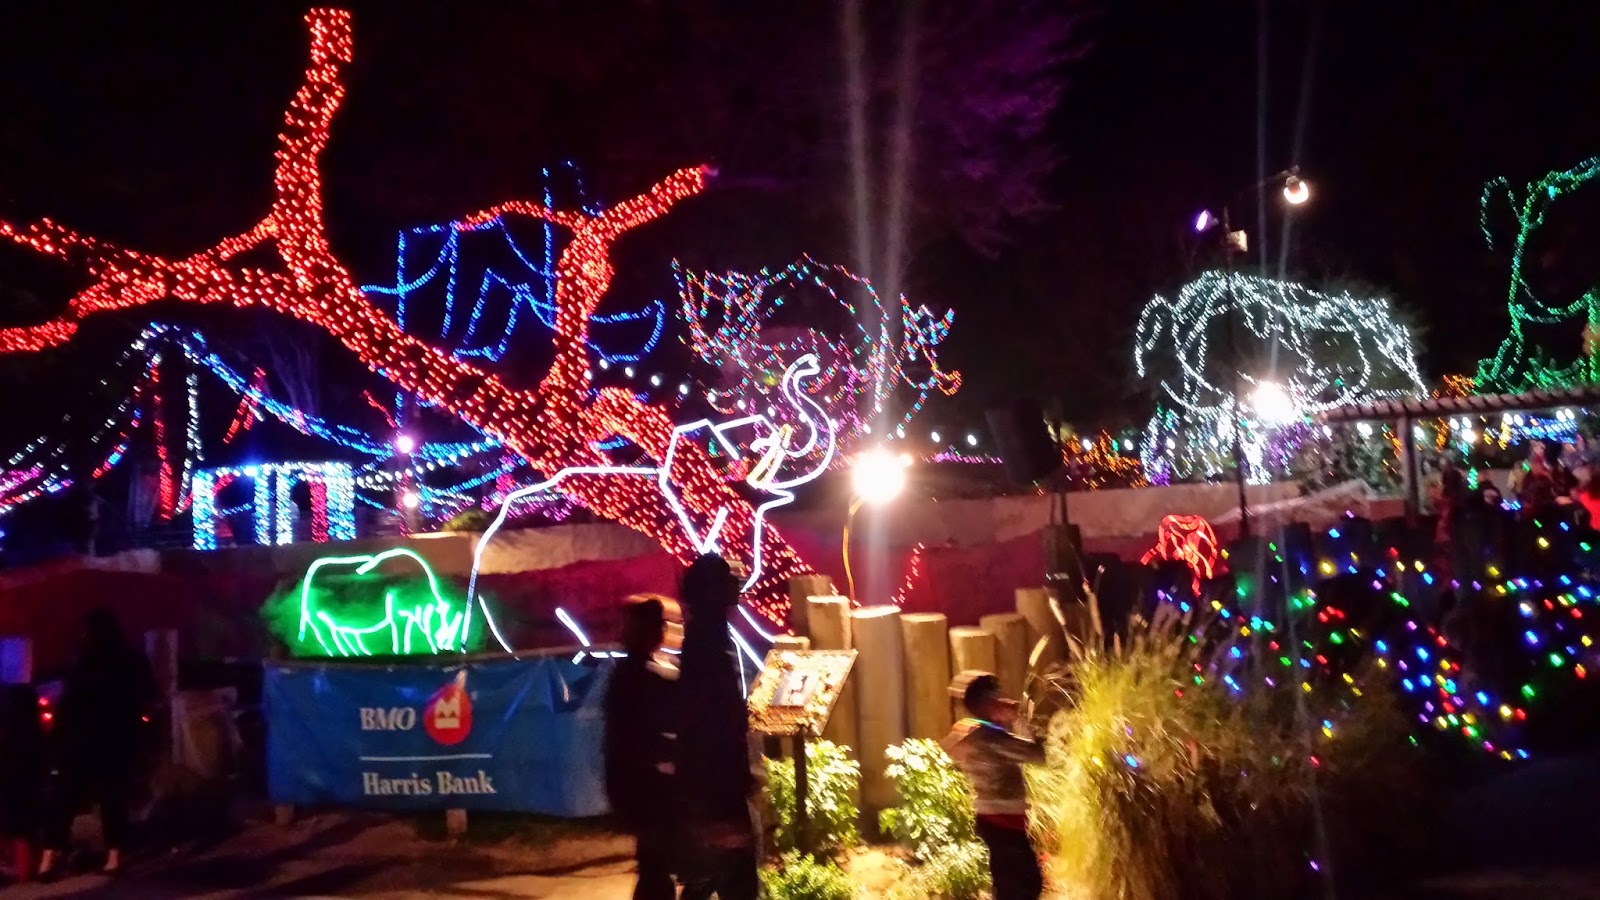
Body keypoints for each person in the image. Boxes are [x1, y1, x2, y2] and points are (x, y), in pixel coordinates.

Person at [37, 610, 156, 879]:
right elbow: (147, 695)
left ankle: (49, 857)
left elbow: (70, 703)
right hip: (114, 739)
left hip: (78, 740)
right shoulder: (131, 659)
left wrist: (57, 737)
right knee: (112, 798)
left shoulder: (83, 660)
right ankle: (114, 856)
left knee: (64, 798)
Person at [676, 555, 759, 900]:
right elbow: (711, 716)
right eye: (726, 579)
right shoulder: (705, 641)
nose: (735, 586)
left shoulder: (708, 635)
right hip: (716, 778)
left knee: (719, 868)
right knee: (730, 870)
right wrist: (733, 777)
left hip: (714, 777)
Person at [604, 595, 682, 900]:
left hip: (633, 781)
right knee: (656, 863)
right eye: (661, 626)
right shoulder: (640, 676)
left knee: (654, 863)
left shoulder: (630, 672)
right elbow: (640, 731)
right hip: (644, 783)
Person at [945, 671, 1046, 900]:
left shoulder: (975, 732)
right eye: (996, 697)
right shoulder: (991, 738)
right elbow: (1038, 754)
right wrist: (1017, 719)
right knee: (1024, 886)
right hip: (1002, 822)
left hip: (996, 821)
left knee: (1012, 884)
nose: (1003, 700)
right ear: (987, 703)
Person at [0, 683, 45, 884]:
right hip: (30, 786)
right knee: (24, 831)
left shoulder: (8, 735)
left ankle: (18, 869)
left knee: (14, 828)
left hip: (10, 784)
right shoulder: (36, 735)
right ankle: (25, 870)